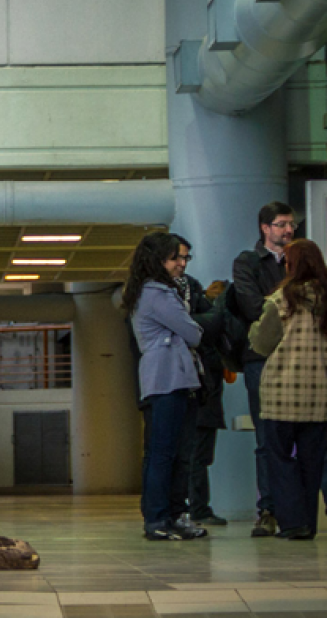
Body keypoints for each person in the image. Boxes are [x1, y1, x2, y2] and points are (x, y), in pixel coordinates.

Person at [233, 202, 327, 538]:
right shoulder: (325, 298)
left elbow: (259, 327)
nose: (288, 230)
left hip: (279, 380)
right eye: (280, 224)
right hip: (316, 386)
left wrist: (278, 303)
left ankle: (291, 520)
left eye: (291, 224)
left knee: (278, 452)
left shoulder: (282, 298)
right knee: (312, 452)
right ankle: (306, 515)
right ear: (265, 227)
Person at [249, 240, 327, 540]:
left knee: (281, 459)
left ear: (292, 265)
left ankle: (292, 522)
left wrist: (251, 330)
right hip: (317, 396)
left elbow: (261, 342)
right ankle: (309, 523)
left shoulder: (282, 299)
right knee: (313, 462)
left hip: (281, 394)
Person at [124, 232, 207, 541]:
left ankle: (172, 515)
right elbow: (193, 332)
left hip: (176, 377)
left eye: (184, 258)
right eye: (176, 258)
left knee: (177, 452)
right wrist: (193, 325)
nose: (181, 264)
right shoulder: (156, 293)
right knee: (164, 453)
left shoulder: (158, 291)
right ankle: (159, 518)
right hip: (167, 379)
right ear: (158, 261)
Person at [173, 236, 230, 527]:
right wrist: (215, 312)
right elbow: (204, 327)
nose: (182, 264)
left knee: (198, 454)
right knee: (195, 455)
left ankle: (193, 507)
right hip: (197, 386)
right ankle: (195, 508)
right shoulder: (174, 294)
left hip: (203, 386)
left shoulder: (189, 289)